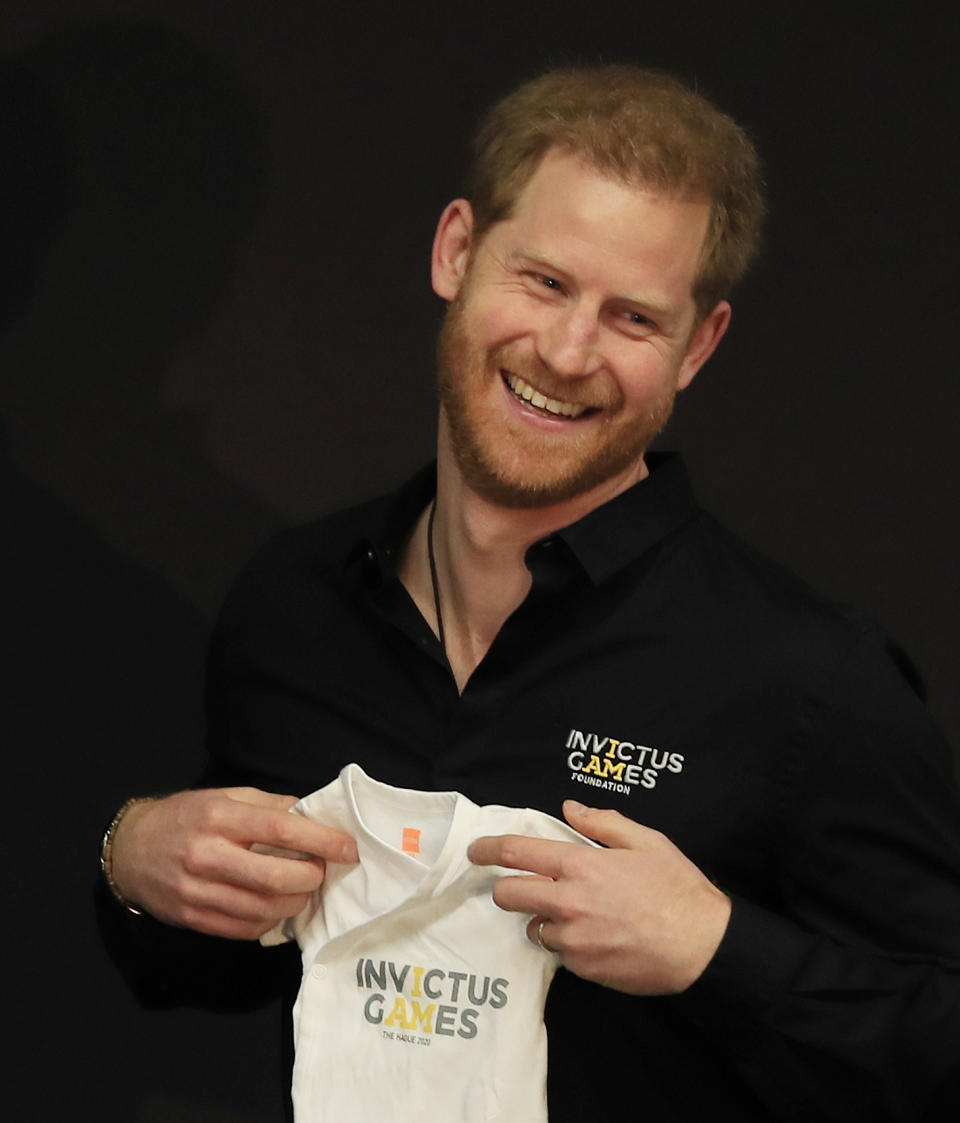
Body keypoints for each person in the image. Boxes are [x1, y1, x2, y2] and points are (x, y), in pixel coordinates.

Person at [103, 66, 960, 1120]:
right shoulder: (294, 603)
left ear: (698, 345)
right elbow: (212, 974)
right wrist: (133, 869)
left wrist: (721, 949)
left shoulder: (807, 678)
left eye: (633, 317)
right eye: (544, 281)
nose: (566, 351)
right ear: (456, 251)